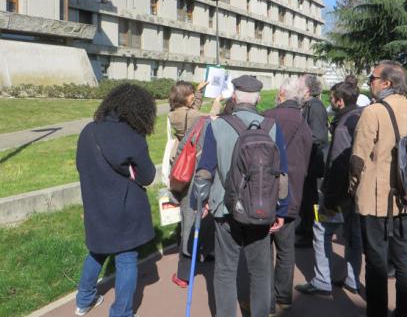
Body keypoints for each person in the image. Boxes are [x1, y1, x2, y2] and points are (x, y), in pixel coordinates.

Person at [192, 75, 289, 317]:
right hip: (261, 207)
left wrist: (200, 200)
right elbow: (282, 173)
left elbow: (205, 170)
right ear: (257, 98)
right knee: (260, 270)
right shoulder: (272, 127)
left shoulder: (216, 126)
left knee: (225, 269)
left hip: (225, 209)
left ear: (234, 96)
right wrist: (282, 209)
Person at [349, 61, 407, 317]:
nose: (369, 81)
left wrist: (352, 188)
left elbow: (357, 159)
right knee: (404, 260)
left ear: (386, 83)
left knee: (377, 263)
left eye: (372, 77)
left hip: (376, 199)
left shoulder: (373, 112)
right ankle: (405, 312)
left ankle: (377, 312)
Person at [75, 84, 157, 317]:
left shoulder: (88, 131)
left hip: (96, 204)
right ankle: (121, 313)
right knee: (126, 258)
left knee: (96, 251)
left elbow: (82, 166)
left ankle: (84, 300)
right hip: (125, 208)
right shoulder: (132, 136)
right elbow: (148, 176)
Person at [296, 81, 362, 296]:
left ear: (340, 101)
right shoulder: (360, 116)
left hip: (337, 190)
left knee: (321, 231)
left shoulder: (343, 125)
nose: (330, 101)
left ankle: (322, 281)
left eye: (332, 98)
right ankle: (352, 279)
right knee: (353, 235)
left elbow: (337, 162)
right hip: (357, 190)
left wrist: (330, 197)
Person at [264, 77, 313, 314]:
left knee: (263, 247)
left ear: (282, 94)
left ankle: (266, 301)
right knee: (286, 248)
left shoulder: (269, 116)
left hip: (267, 191)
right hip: (293, 192)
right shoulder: (303, 122)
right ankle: (283, 297)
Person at [168, 80, 222, 287]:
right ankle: (187, 268)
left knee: (191, 214)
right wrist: (216, 101)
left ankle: (196, 256)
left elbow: (194, 109)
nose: (194, 98)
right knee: (194, 214)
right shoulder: (193, 117)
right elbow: (209, 118)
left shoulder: (176, 113)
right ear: (185, 97)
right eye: (191, 95)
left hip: (184, 159)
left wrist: (198, 92)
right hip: (194, 164)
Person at [296, 74, 329, 247]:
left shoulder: (314, 107)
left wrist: (298, 140)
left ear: (307, 90)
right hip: (309, 159)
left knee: (314, 198)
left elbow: (318, 136)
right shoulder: (308, 105)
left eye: (299, 85)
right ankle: (306, 226)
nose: (297, 87)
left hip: (315, 161)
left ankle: (315, 232)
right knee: (308, 197)